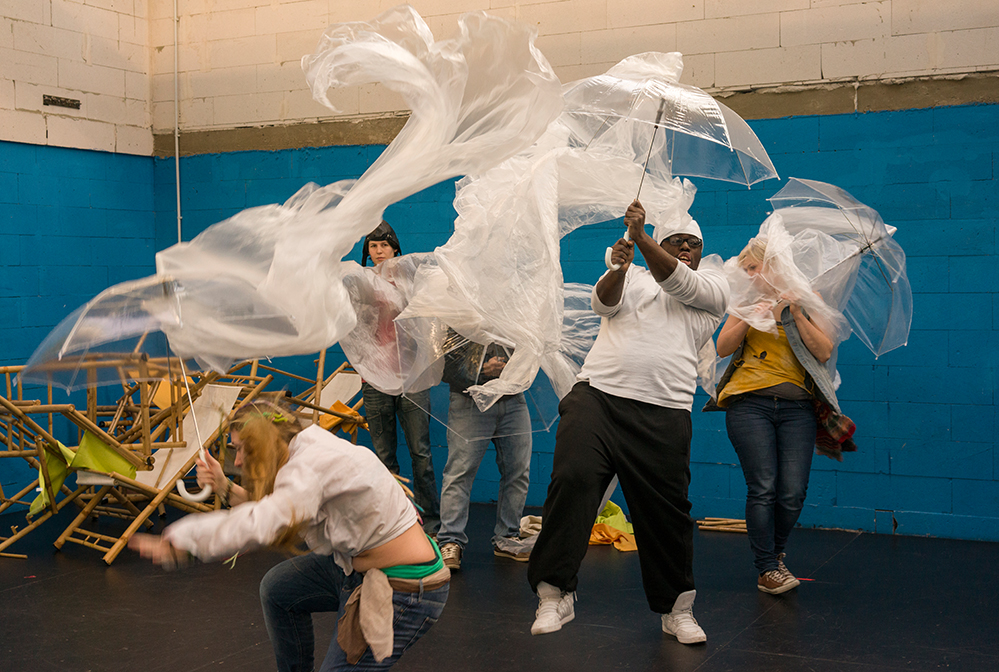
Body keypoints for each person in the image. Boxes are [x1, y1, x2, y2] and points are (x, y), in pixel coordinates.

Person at [527, 199, 728, 644]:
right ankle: (554, 592)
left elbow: (677, 279)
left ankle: (676, 609)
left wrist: (642, 239)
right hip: (597, 398)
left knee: (665, 513)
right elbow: (602, 304)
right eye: (678, 241)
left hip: (664, 411)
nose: (686, 250)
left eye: (693, 245)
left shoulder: (712, 286)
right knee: (573, 480)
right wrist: (618, 268)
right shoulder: (633, 275)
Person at [129, 399, 449, 672]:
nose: (237, 461)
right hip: (355, 568)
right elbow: (280, 505)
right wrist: (223, 484)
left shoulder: (307, 468)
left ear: (266, 442)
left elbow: (262, 522)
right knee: (279, 590)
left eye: (242, 449)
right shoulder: (306, 443)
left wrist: (180, 541)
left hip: (404, 588)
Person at [711, 235, 839, 595]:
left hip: (797, 407)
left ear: (775, 265)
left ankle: (775, 555)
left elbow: (824, 351)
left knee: (793, 491)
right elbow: (722, 347)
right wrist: (755, 315)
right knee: (763, 486)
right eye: (746, 269)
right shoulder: (746, 302)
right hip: (749, 404)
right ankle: (767, 567)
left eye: (754, 267)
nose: (749, 275)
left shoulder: (808, 300)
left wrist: (795, 311)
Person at [359, 220, 441, 535]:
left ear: (395, 247)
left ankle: (431, 523)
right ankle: (392, 524)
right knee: (384, 458)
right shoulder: (361, 283)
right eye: (373, 247)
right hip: (376, 380)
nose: (379, 252)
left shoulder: (412, 281)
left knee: (421, 453)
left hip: (412, 378)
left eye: (384, 245)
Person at [435, 331, 532, 570]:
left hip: (511, 397)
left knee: (518, 470)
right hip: (470, 399)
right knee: (460, 472)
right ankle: (450, 540)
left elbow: (531, 346)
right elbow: (443, 363)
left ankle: (507, 537)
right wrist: (480, 369)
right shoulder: (459, 308)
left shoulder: (516, 309)